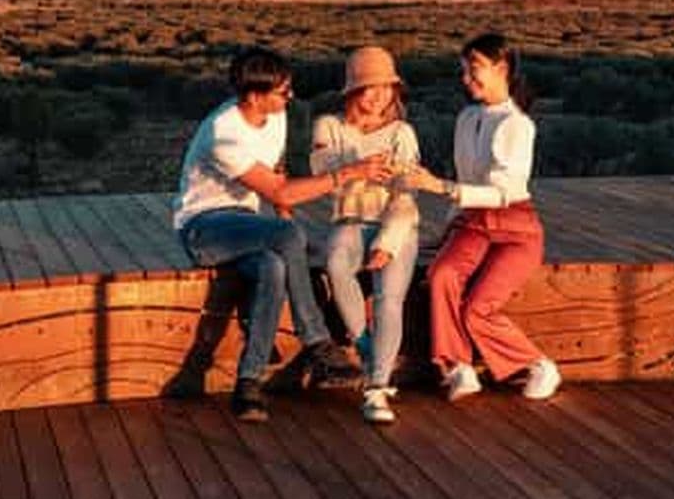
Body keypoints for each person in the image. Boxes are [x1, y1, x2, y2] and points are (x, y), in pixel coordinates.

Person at [174, 46, 392, 422]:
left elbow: (276, 184)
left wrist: (288, 225)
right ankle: (317, 341)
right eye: (282, 92)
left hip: (250, 224)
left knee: (274, 267)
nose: (289, 97)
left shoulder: (274, 117)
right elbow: (279, 191)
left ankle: (248, 383)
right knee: (288, 239)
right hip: (204, 228)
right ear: (255, 95)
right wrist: (349, 173)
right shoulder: (222, 134)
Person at [404, 32, 561, 402]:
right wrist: (446, 229)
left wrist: (439, 187)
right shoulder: (467, 118)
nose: (466, 78)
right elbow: (466, 181)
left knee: (478, 309)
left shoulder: (517, 125)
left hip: (515, 228)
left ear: (501, 69)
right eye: (463, 70)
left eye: (473, 69)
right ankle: (458, 367)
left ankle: (539, 365)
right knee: (441, 274)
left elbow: (504, 192)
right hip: (472, 222)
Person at [310, 46, 419, 424]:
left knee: (389, 297)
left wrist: (388, 244)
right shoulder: (329, 127)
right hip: (350, 220)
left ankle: (376, 389)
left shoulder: (402, 133)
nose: (379, 95)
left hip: (396, 222)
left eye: (386, 87)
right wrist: (358, 168)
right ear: (352, 90)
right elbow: (322, 172)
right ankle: (370, 351)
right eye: (369, 87)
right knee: (337, 264)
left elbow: (406, 194)